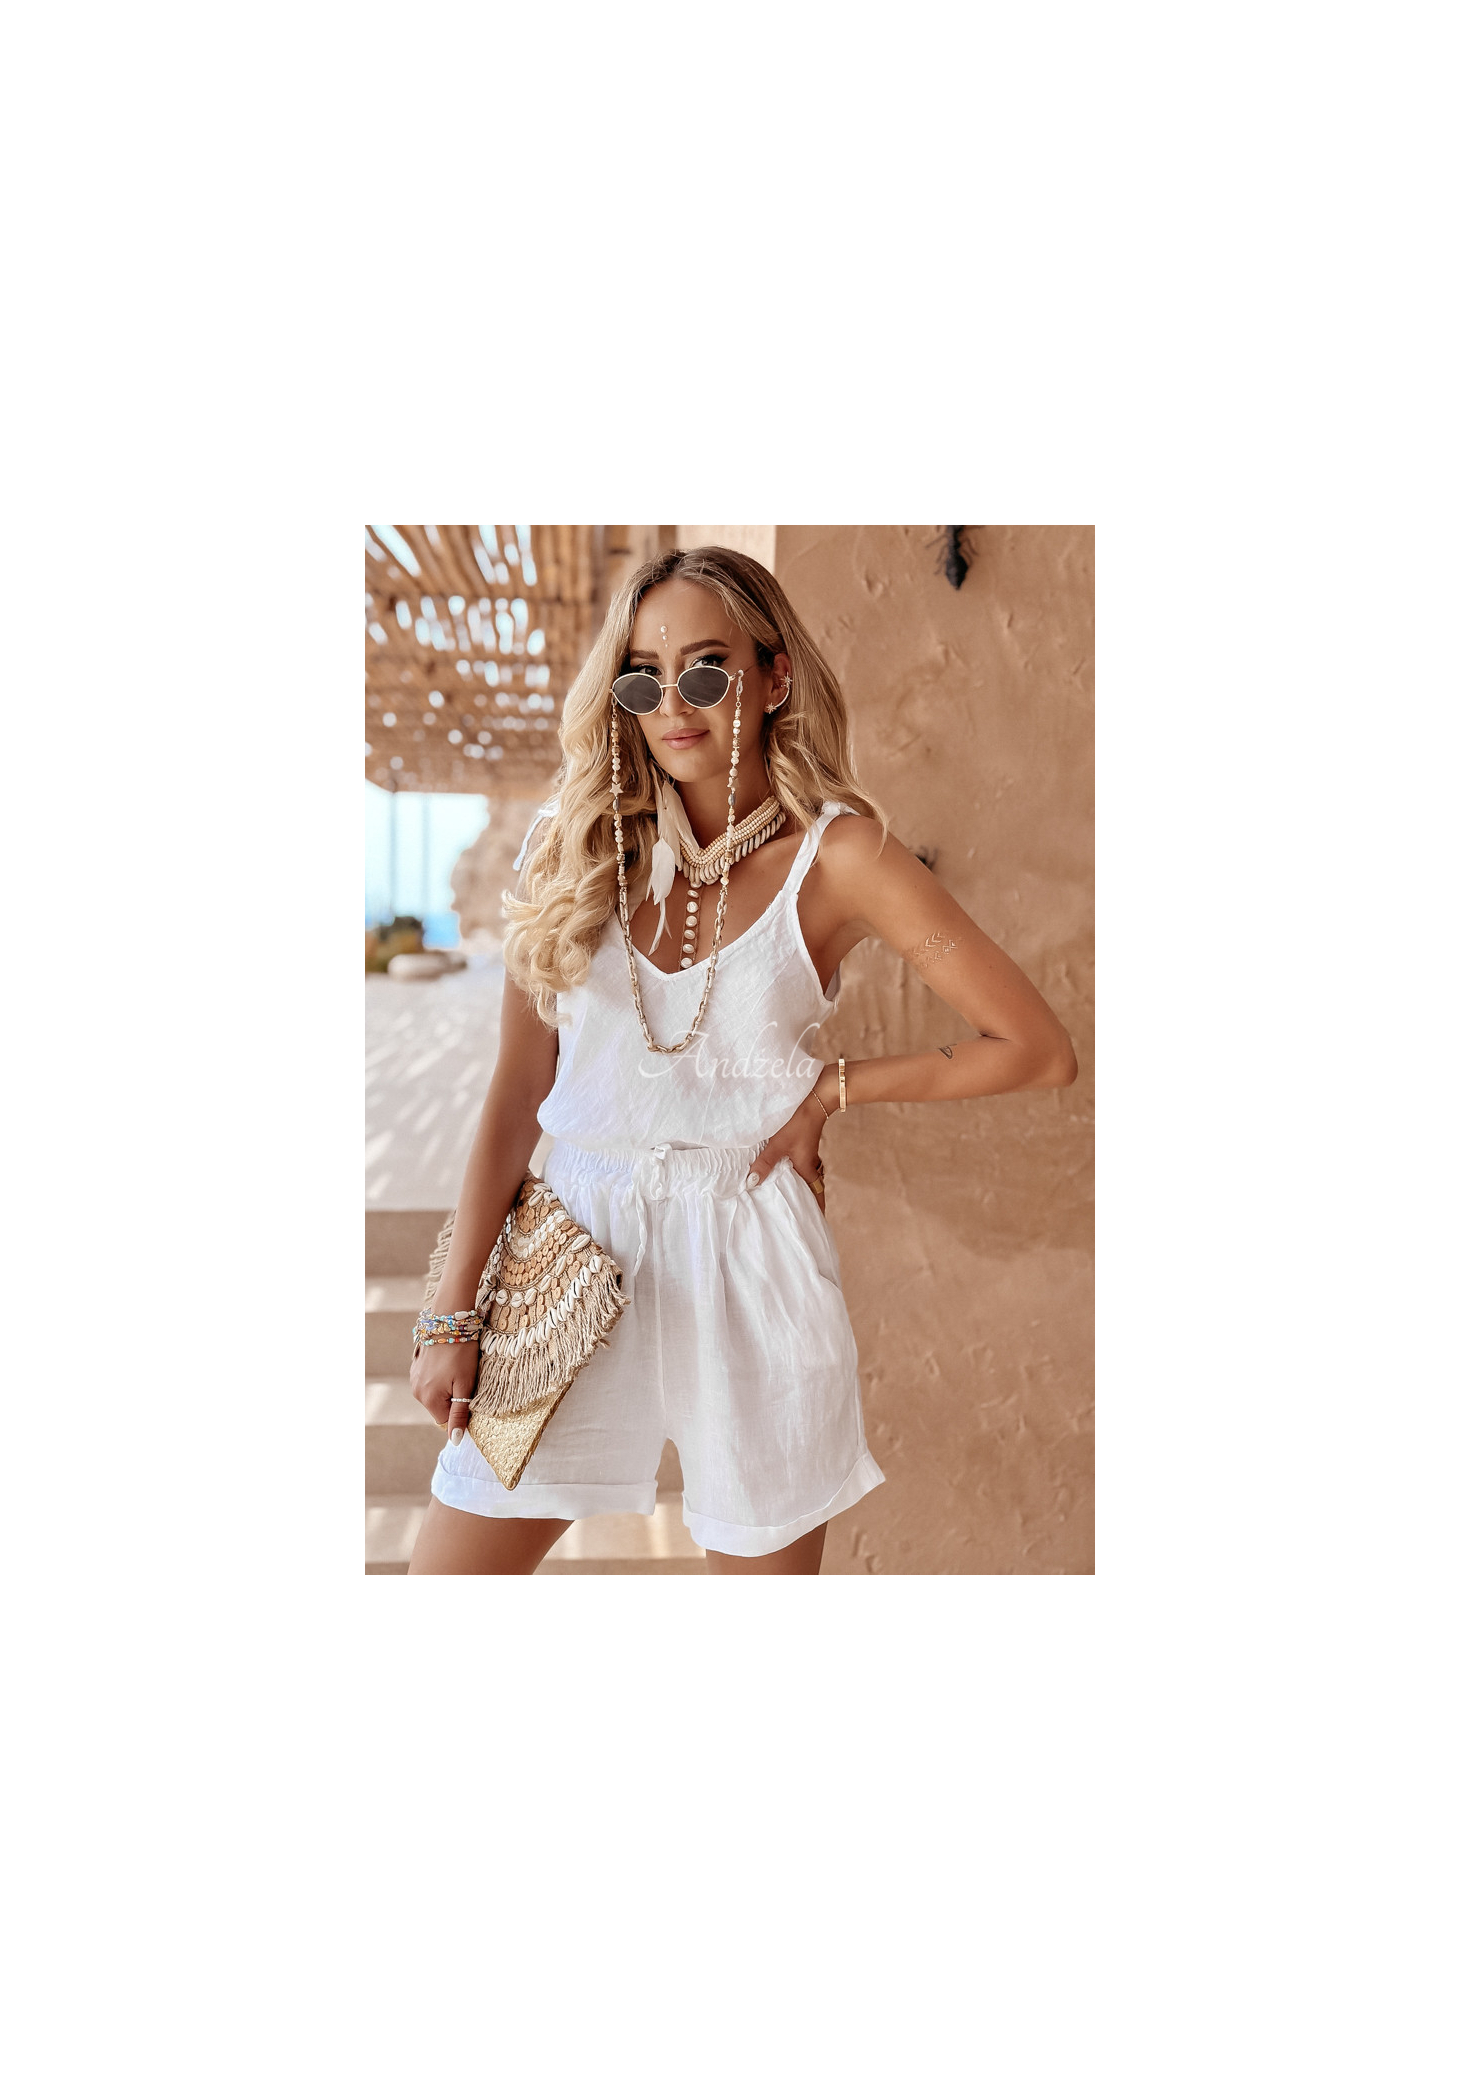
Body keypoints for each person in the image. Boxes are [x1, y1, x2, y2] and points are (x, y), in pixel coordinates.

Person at [407, 545, 1076, 1575]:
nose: (673, 704)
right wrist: (452, 1312)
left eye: (707, 669)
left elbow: (1035, 1049)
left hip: (752, 1262)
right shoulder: (572, 847)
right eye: (643, 677)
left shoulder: (839, 859)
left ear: (774, 677)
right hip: (574, 1246)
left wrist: (831, 1090)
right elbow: (517, 1091)